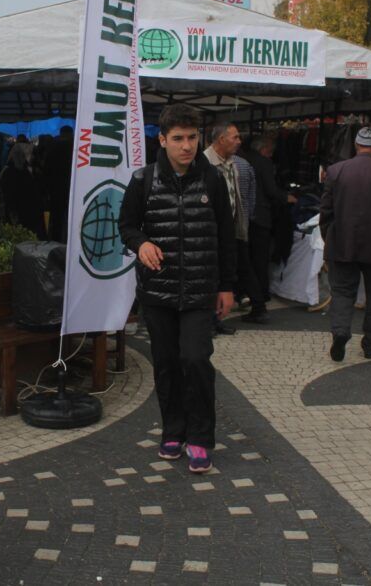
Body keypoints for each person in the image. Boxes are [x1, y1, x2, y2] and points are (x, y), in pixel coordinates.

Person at [119, 103, 236, 474]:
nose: (187, 146)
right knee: (167, 364)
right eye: (178, 138)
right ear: (163, 140)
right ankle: (173, 430)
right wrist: (141, 243)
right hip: (158, 292)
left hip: (200, 291)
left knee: (196, 360)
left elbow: (227, 236)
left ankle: (200, 437)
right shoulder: (143, 180)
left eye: (192, 137)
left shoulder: (212, 180)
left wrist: (227, 287)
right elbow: (126, 226)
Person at [319, 127, 371, 362]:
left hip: (342, 243)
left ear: (356, 146)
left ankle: (340, 331)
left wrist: (330, 236)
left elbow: (326, 211)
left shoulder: (336, 171)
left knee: (342, 292)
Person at [205, 121, 260, 328]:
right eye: (235, 137)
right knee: (212, 273)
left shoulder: (234, 163)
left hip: (231, 231)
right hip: (211, 232)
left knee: (227, 272)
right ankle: (210, 321)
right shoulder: (204, 164)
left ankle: (216, 319)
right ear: (221, 139)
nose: (239, 141)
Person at [247, 133, 298, 319]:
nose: (272, 155)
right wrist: (286, 197)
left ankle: (250, 293)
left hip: (248, 215)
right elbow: (270, 189)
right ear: (263, 150)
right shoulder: (264, 163)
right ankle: (261, 294)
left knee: (249, 257)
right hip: (261, 215)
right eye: (270, 151)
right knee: (260, 258)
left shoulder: (245, 160)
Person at [43, 125, 73, 243]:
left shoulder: (53, 144)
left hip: (55, 186)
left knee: (56, 216)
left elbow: (47, 167)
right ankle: (70, 239)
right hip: (71, 186)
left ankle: (56, 239)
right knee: (71, 214)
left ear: (61, 132)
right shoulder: (74, 144)